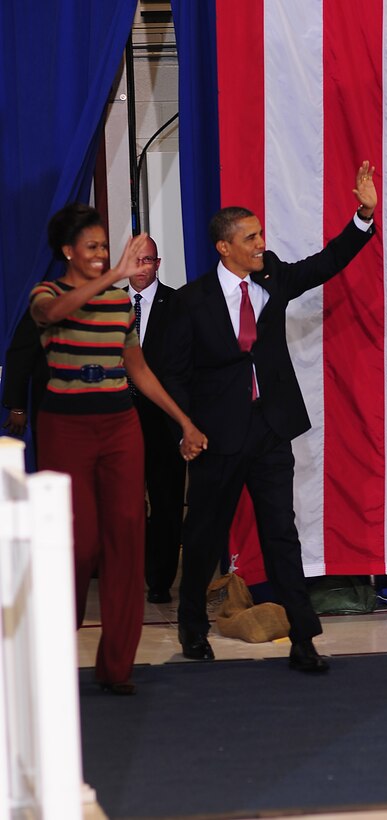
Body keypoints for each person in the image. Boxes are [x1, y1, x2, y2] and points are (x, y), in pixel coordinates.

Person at [163, 160, 377, 673]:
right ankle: (192, 627)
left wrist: (364, 215)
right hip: (217, 437)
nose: (262, 242)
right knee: (204, 536)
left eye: (261, 234)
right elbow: (171, 375)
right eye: (252, 236)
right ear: (225, 247)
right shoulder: (191, 302)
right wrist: (186, 429)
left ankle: (304, 639)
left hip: (270, 429)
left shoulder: (275, 275)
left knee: (282, 533)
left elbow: (325, 264)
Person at [29, 203, 207, 695]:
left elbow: (139, 368)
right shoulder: (47, 294)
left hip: (119, 427)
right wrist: (112, 276)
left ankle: (116, 666)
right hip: (65, 428)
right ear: (68, 252)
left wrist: (184, 421)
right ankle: (49, 654)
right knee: (79, 544)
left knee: (128, 539)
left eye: (105, 247)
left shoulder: (117, 304)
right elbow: (55, 313)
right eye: (92, 247)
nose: (102, 254)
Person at [127, 237, 186, 604]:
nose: (142, 266)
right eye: (136, 259)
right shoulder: (109, 304)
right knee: (127, 502)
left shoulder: (178, 304)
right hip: (120, 417)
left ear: (158, 263)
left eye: (148, 259)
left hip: (163, 419)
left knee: (166, 501)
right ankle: (128, 574)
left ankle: (160, 580)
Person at [1, 308, 49, 454]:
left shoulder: (116, 299)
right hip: (47, 405)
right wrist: (17, 407)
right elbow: (20, 356)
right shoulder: (47, 303)